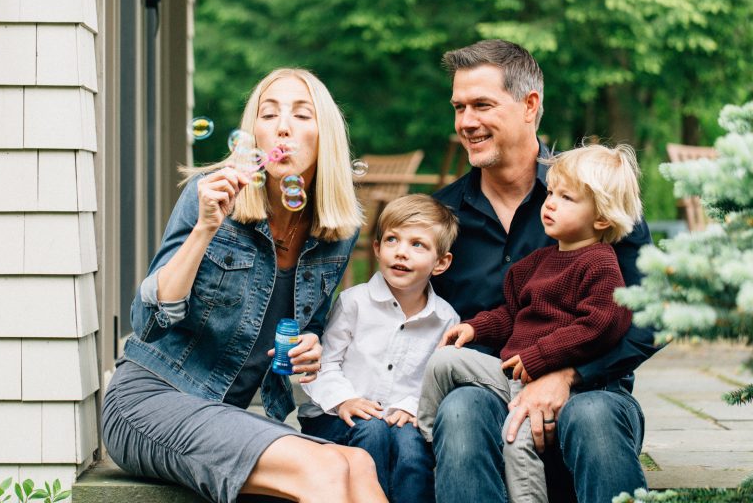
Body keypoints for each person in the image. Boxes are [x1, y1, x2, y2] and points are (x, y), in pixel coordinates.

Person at [101, 68, 388, 503]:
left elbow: (304, 333)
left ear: (325, 134)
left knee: (357, 464)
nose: (283, 127)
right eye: (268, 115)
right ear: (254, 135)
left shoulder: (337, 228)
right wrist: (204, 229)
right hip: (149, 399)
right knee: (324, 467)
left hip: (222, 415)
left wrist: (311, 346)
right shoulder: (210, 198)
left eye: (301, 115)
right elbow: (149, 322)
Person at [428, 39, 661, 503]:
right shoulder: (442, 218)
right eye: (459, 107)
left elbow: (656, 314)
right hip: (490, 395)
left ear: (529, 105)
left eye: (482, 105)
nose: (466, 122)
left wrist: (570, 374)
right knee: (459, 409)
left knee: (593, 415)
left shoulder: (597, 197)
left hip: (594, 394)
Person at [419, 144, 643, 503]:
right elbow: (512, 314)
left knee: (517, 442)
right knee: (443, 359)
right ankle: (426, 431)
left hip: (567, 383)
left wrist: (545, 358)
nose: (550, 202)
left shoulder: (601, 264)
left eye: (566, 198)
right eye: (551, 193)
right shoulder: (536, 263)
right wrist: (477, 328)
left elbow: (602, 322)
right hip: (510, 376)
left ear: (602, 219)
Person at [298, 194, 460, 502]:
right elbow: (323, 364)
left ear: (441, 263)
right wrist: (344, 400)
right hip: (333, 417)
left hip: (400, 419)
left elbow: (436, 382)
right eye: (392, 240)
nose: (401, 252)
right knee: (372, 432)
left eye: (417, 245)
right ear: (377, 249)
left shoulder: (446, 319)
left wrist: (412, 407)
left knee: (413, 448)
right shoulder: (354, 302)